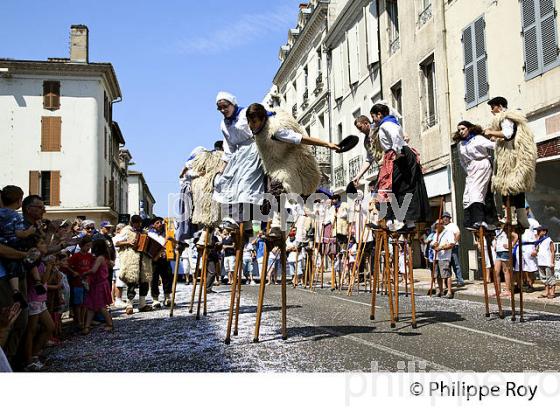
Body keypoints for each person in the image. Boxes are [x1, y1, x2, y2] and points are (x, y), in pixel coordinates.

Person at [246, 103, 339, 237]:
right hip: (271, 167)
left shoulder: (275, 131)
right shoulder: (256, 131)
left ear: (262, 119)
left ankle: (277, 225)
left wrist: (326, 144)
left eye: (254, 122)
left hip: (287, 164)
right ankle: (267, 223)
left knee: (278, 188)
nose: (250, 125)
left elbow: (300, 138)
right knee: (264, 196)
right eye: (249, 121)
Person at [368, 103, 430, 231]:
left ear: (379, 115)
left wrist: (396, 152)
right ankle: (407, 223)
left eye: (373, 116)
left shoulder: (386, 125)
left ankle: (388, 220)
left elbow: (396, 135)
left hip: (398, 154)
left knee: (386, 186)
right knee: (404, 188)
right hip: (402, 154)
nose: (373, 120)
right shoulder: (392, 122)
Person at [483, 96, 537, 229]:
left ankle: (511, 217)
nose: (492, 111)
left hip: (510, 158)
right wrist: (496, 137)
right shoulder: (512, 118)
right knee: (517, 188)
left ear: (500, 106)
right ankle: (522, 218)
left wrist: (490, 131)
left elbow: (507, 134)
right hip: (515, 156)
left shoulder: (505, 117)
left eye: (493, 107)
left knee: (507, 187)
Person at [213, 92, 266, 223]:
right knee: (223, 181)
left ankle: (246, 217)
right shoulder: (223, 124)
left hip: (253, 148)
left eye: (225, 106)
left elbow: (264, 117)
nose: (223, 110)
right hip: (238, 154)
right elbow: (229, 146)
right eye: (220, 108)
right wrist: (223, 167)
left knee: (245, 183)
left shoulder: (245, 113)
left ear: (233, 103)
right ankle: (232, 216)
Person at [0, 185, 43, 306]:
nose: (43, 210)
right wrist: (29, 232)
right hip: (14, 245)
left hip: (4, 246)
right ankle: (37, 281)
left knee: (13, 267)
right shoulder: (16, 216)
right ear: (19, 201)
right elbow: (20, 234)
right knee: (31, 257)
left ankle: (15, 290)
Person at [453, 121, 496, 229]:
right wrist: (468, 170)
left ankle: (480, 220)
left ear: (469, 128)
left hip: (481, 164)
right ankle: (470, 221)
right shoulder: (460, 144)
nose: (461, 132)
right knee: (467, 196)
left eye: (463, 129)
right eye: (459, 130)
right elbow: (462, 161)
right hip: (470, 168)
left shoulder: (478, 139)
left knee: (476, 192)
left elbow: (493, 145)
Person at [23, 237, 55, 371]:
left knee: (50, 327)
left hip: (40, 299)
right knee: (30, 331)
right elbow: (42, 281)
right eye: (41, 243)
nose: (45, 245)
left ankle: (35, 354)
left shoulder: (40, 261)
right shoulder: (33, 262)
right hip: (34, 299)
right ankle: (28, 360)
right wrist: (49, 266)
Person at [115, 215, 153, 315]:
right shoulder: (126, 231)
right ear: (132, 222)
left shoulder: (144, 232)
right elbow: (116, 242)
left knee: (144, 282)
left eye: (139, 222)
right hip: (131, 261)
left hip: (143, 261)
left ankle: (142, 304)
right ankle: (129, 304)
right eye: (136, 222)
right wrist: (128, 242)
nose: (138, 224)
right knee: (131, 282)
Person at [81, 239, 114, 334]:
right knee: (91, 305)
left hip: (99, 284)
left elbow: (94, 270)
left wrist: (85, 273)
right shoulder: (103, 257)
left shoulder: (100, 258)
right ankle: (86, 326)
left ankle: (110, 324)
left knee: (101, 306)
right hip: (96, 284)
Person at [67, 236, 94, 329]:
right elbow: (67, 265)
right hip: (77, 282)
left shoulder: (90, 256)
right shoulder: (76, 256)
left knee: (85, 303)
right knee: (78, 303)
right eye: (87, 246)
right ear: (81, 245)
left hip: (87, 282)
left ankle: (84, 320)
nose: (88, 248)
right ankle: (79, 321)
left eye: (90, 246)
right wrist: (73, 272)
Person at [148, 217, 173, 308]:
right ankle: (155, 299)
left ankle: (167, 297)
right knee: (154, 279)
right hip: (154, 259)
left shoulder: (166, 232)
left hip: (164, 258)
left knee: (167, 277)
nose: (160, 224)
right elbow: (161, 244)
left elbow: (170, 244)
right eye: (157, 223)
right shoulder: (150, 234)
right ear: (153, 225)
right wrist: (166, 240)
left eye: (160, 223)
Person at [431, 220, 455, 299]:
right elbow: (432, 244)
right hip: (436, 257)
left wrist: (441, 247)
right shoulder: (436, 234)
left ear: (441, 225)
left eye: (438, 225)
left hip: (444, 257)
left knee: (446, 275)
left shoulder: (448, 232)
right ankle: (440, 291)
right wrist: (434, 245)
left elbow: (451, 244)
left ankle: (449, 292)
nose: (436, 227)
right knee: (437, 275)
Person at [441, 212, 465, 287]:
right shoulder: (442, 227)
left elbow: (458, 233)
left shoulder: (452, 225)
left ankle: (460, 280)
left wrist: (454, 242)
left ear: (449, 218)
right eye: (444, 217)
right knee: (446, 265)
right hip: (445, 248)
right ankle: (447, 282)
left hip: (452, 247)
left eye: (447, 217)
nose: (445, 218)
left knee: (455, 264)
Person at [534, 226, 555, 299]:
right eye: (537, 231)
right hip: (541, 262)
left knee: (550, 277)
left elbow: (552, 251)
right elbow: (537, 250)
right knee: (543, 278)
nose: (537, 232)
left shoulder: (548, 240)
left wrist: (552, 262)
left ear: (544, 232)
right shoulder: (538, 241)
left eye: (539, 231)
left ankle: (552, 292)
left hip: (547, 262)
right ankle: (546, 292)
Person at [111, 223, 127, 307]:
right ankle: (118, 299)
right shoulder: (118, 238)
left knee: (114, 282)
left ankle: (114, 299)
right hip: (118, 262)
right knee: (119, 282)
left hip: (117, 262)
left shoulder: (114, 238)